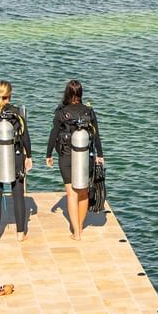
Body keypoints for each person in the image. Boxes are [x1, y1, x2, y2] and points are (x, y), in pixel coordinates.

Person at [47, 78, 104, 238]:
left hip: (66, 155)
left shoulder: (61, 112)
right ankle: (79, 226)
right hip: (86, 156)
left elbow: (54, 134)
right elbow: (96, 135)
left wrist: (49, 154)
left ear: (67, 93)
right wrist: (100, 155)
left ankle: (76, 232)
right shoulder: (88, 111)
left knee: (71, 193)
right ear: (80, 93)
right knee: (84, 192)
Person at [0, 79, 32, 240]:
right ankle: (20, 233)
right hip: (15, 157)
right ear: (9, 96)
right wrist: (29, 157)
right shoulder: (17, 113)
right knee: (18, 194)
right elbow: (25, 138)